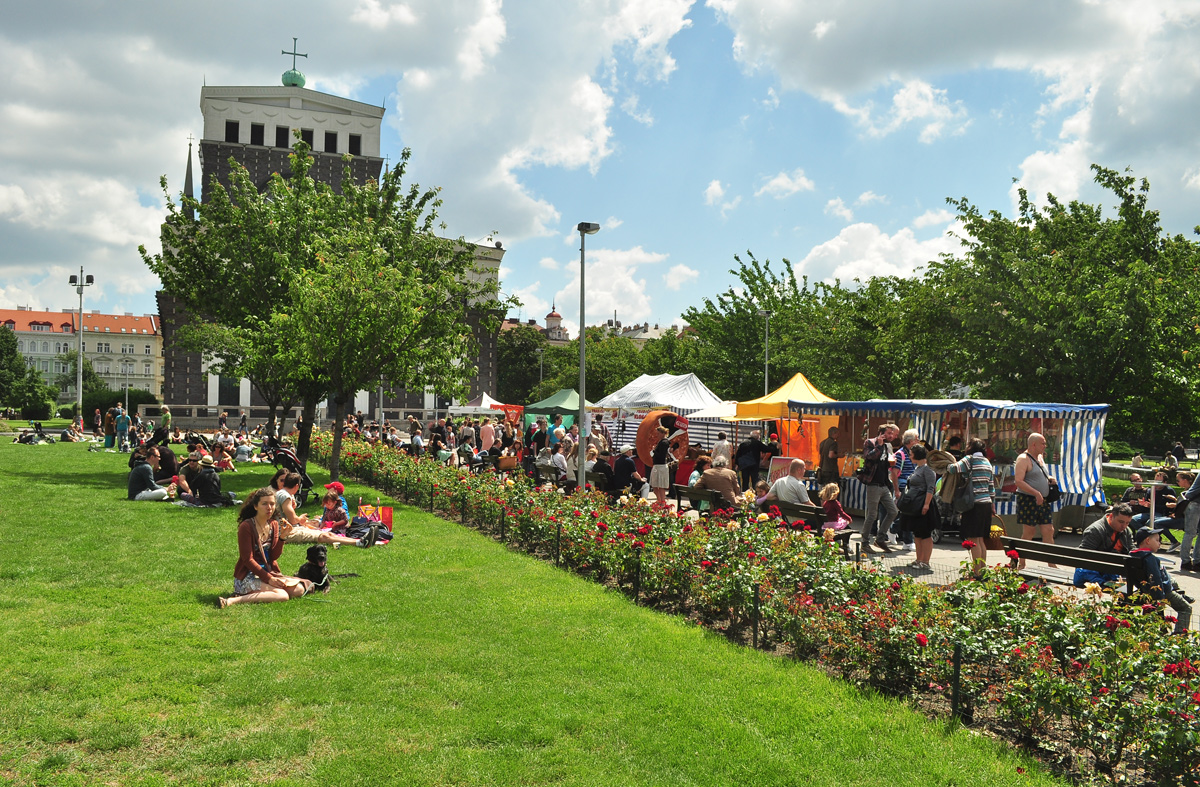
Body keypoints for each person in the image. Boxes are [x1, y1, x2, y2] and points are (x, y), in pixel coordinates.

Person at [217, 488, 313, 608]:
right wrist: (269, 579)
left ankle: (265, 591)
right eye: (264, 504)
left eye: (272, 504)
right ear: (255, 506)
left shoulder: (273, 524)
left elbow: (273, 556)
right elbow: (247, 559)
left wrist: (282, 537)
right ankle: (232, 600)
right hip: (248, 575)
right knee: (282, 595)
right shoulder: (246, 526)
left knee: (298, 590)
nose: (269, 507)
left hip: (268, 571)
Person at [275, 473, 376, 548]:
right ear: (297, 486)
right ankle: (360, 543)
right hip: (286, 533)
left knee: (328, 534)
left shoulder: (283, 494)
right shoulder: (285, 496)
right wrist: (300, 518)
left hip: (290, 529)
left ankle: (360, 541)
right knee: (323, 536)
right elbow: (293, 520)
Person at [943, 437, 995, 574]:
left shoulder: (969, 459)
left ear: (970, 447)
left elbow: (953, 469)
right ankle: (983, 571)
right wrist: (993, 504)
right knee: (981, 539)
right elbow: (991, 486)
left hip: (973, 504)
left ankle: (976, 572)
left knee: (973, 539)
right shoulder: (987, 462)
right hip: (986, 504)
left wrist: (946, 466)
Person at [1129, 527, 1193, 635]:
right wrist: (1159, 599)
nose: (1160, 543)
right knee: (1186, 608)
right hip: (1163, 592)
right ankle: (1179, 636)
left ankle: (1178, 592)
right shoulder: (1151, 559)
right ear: (1148, 541)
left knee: (1172, 580)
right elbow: (1156, 580)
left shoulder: (1132, 555)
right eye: (1157, 540)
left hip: (1142, 590)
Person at [1014, 432, 1059, 569]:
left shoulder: (1039, 457)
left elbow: (1039, 474)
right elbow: (1018, 481)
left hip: (1042, 500)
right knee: (1029, 532)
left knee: (1048, 530)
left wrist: (1050, 478)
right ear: (1034, 444)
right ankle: (1021, 563)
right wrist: (1035, 493)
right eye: (1043, 443)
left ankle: (1051, 563)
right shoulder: (1023, 459)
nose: (1045, 446)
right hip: (1028, 499)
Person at [859, 423, 899, 555]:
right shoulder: (870, 442)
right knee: (872, 515)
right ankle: (864, 543)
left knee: (893, 511)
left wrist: (892, 461)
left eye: (892, 434)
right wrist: (878, 446)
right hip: (873, 484)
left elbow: (886, 462)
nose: (891, 436)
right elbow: (869, 457)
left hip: (883, 484)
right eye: (889, 433)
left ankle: (880, 538)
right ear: (881, 433)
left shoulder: (888, 446)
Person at [1074, 503, 1134, 587]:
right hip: (1096, 571)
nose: (1124, 526)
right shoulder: (1095, 530)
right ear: (1111, 516)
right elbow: (1084, 557)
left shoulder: (1126, 531)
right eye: (1121, 522)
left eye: (1127, 523)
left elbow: (1131, 550)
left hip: (1114, 570)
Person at [900, 444, 938, 571]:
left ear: (917, 455)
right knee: (917, 532)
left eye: (911, 454)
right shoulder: (918, 467)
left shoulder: (928, 469)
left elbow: (931, 487)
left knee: (925, 533)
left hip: (923, 503)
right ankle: (919, 559)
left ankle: (925, 561)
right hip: (915, 504)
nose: (910, 456)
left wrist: (926, 504)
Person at [891, 429, 920, 552]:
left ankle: (893, 529)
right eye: (917, 438)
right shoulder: (900, 454)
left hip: (913, 486)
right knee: (908, 513)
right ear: (911, 441)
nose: (918, 441)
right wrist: (897, 490)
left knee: (907, 513)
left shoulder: (914, 453)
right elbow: (894, 473)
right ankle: (908, 541)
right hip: (904, 486)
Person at [1178, 470, 1200, 572]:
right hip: (1194, 504)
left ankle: (1197, 561)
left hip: (1196, 504)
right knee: (1190, 532)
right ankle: (1185, 561)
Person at [649, 425, 673, 505]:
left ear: (663, 433)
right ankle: (659, 500)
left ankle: (662, 501)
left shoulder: (664, 442)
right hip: (657, 465)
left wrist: (654, 451)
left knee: (661, 485)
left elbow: (661, 455)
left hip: (661, 466)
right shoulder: (661, 442)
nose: (657, 435)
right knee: (654, 485)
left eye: (658, 433)